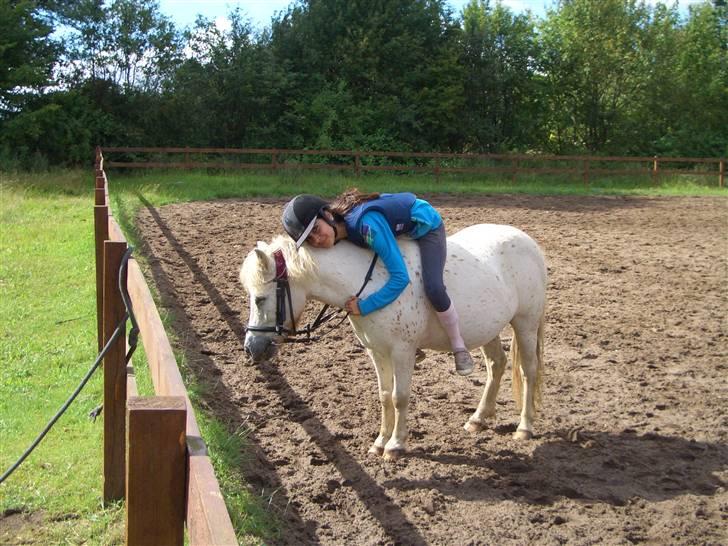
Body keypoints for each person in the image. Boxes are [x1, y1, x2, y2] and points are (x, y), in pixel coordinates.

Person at [281, 189, 475, 376]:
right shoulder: (339, 231)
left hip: (425, 226)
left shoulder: (367, 228)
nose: (317, 239)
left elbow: (401, 278)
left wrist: (365, 306)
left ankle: (458, 346)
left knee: (433, 287)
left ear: (328, 215)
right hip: (390, 227)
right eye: (309, 239)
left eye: (315, 229)